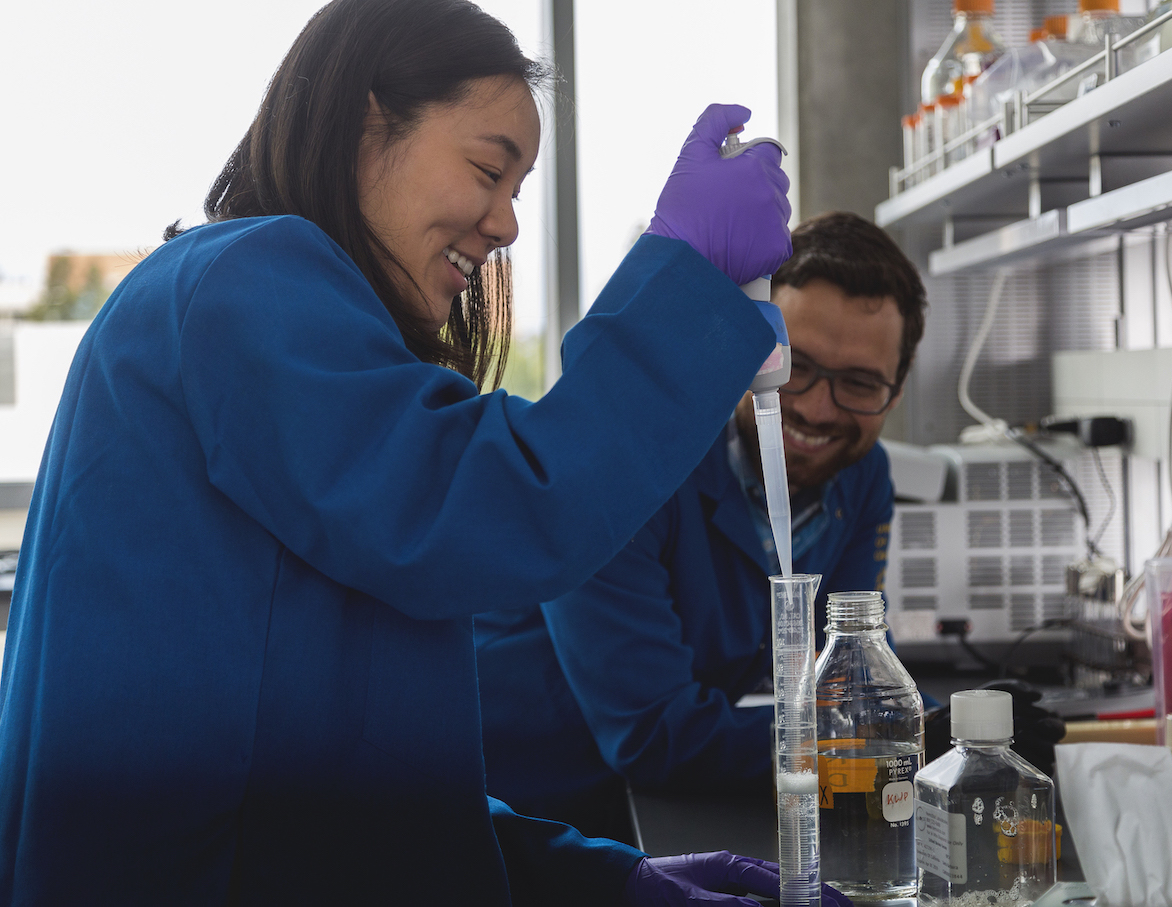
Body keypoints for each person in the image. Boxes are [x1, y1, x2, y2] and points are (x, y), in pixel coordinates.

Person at [0, 2, 856, 905]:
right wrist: (681, 275)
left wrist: (610, 879)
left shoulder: (291, 336)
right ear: (370, 119)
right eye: (490, 169)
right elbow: (502, 506)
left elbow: (357, 792)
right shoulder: (245, 282)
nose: (507, 226)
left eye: (520, 190)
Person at [476, 211, 930, 840]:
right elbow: (655, 731)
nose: (817, 410)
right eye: (793, 366)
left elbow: (852, 675)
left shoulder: (860, 474)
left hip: (659, 804)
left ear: (897, 390)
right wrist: (915, 740)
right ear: (746, 341)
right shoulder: (630, 458)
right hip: (518, 801)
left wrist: (944, 726)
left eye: (858, 383)